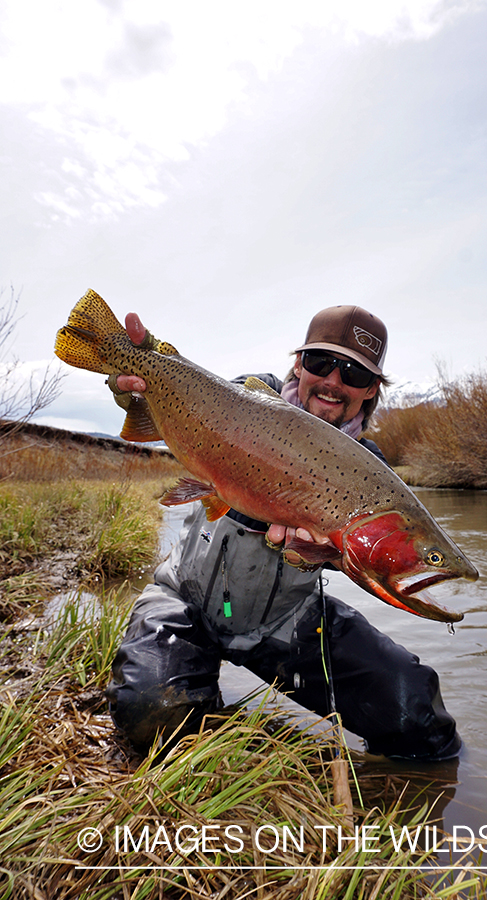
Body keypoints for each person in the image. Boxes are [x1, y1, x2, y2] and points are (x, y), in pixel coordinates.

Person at [105, 305, 461, 761]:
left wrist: (324, 555)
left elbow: (358, 558)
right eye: (320, 363)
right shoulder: (248, 396)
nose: (333, 380)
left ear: (371, 389)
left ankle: (424, 792)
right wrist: (134, 376)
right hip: (184, 598)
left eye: (353, 373)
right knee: (150, 714)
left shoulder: (370, 469)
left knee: (417, 718)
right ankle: (210, 723)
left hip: (284, 622)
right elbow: (174, 396)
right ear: (298, 363)